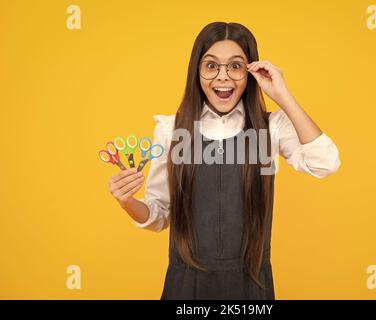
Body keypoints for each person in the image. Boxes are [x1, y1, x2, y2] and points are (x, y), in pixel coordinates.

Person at [108, 21, 341, 299]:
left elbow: (325, 163)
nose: (222, 77)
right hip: (186, 287)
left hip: (251, 285)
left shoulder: (270, 129)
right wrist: (128, 202)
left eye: (235, 66)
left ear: (250, 72)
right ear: (197, 72)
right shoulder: (172, 130)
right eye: (211, 66)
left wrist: (282, 94)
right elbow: (159, 216)